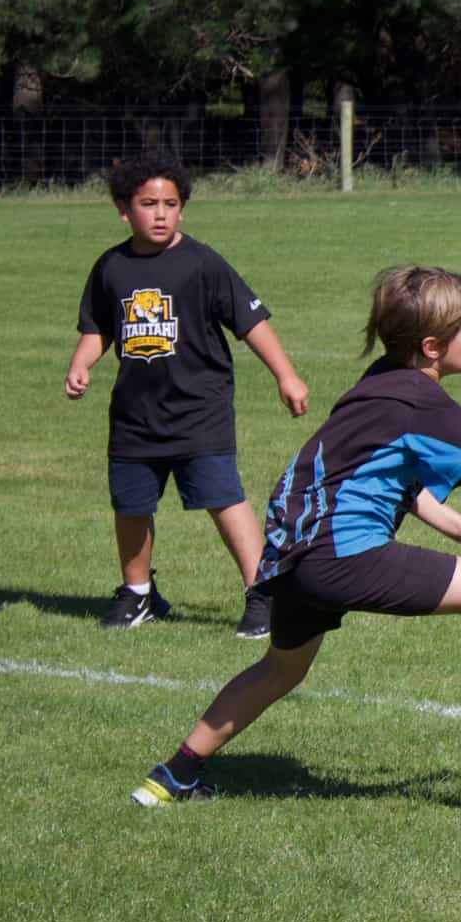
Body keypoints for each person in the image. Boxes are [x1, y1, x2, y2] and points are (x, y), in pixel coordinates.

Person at [128, 265, 461, 807]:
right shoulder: (420, 398)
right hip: (341, 555)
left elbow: (385, 474)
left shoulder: (381, 381)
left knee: (279, 670)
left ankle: (172, 776)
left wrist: (457, 526)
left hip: (295, 555)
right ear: (432, 347)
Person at [66, 155, 311, 637]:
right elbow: (98, 328)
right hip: (135, 415)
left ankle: (262, 592)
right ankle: (138, 593)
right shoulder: (111, 267)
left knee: (223, 498)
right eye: (148, 204)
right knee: (131, 504)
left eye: (171, 204)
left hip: (200, 409)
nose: (160, 214)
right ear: (123, 209)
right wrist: (80, 364)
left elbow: (251, 322)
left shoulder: (202, 263)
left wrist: (286, 376)